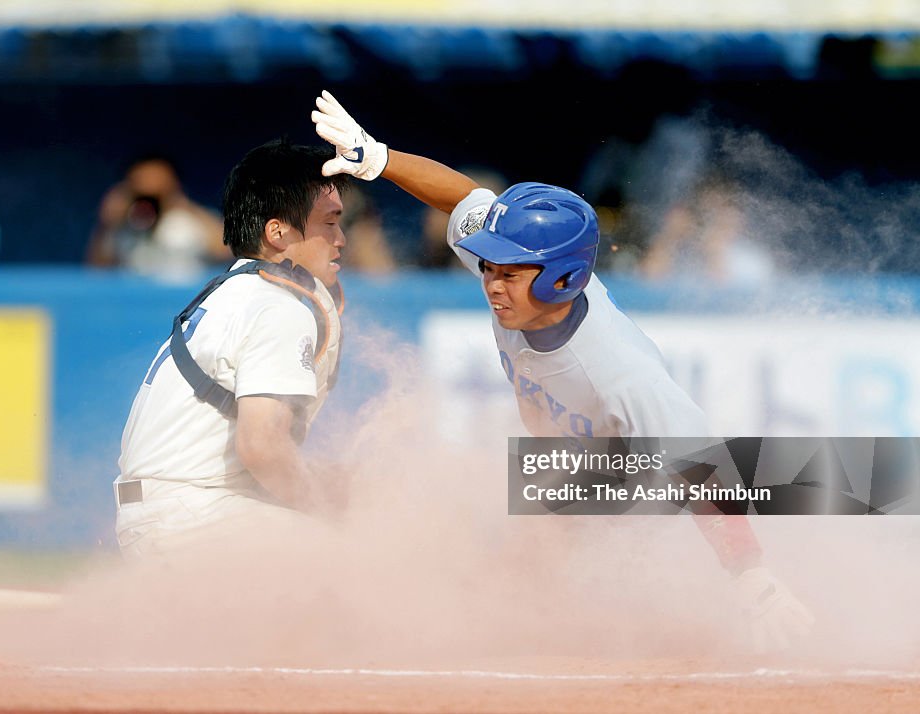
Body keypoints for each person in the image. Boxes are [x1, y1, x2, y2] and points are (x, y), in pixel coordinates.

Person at [311, 90, 813, 653]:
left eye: (509, 272)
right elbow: (465, 200)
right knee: (514, 556)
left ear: (561, 279)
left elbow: (704, 473)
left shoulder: (620, 372)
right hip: (573, 458)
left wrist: (751, 577)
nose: (490, 283)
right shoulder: (524, 278)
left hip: (640, 469)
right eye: (488, 267)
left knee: (565, 571)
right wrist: (378, 159)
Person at [113, 139, 350, 558]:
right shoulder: (278, 305)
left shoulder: (239, 289)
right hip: (194, 518)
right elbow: (262, 448)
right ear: (277, 232)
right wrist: (329, 508)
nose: (342, 239)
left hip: (169, 513)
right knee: (365, 563)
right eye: (329, 223)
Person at [87, 155, 231, 280]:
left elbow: (227, 251)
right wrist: (106, 224)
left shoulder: (187, 222)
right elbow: (97, 271)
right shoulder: (122, 226)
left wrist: (183, 204)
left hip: (185, 304)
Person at [640, 171, 776, 287]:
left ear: (737, 216)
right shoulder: (682, 255)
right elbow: (644, 287)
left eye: (720, 211)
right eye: (706, 213)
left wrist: (713, 252)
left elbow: (725, 301)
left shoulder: (752, 262)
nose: (712, 221)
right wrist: (669, 236)